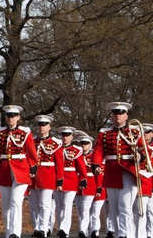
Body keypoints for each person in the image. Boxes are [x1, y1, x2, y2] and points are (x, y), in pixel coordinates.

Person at [92, 102, 146, 238]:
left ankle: (125, 234)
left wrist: (139, 156)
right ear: (111, 116)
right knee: (114, 209)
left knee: (124, 206)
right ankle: (118, 234)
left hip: (129, 171)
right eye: (115, 114)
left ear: (126, 116)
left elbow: (143, 150)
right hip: (111, 172)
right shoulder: (104, 133)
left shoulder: (135, 132)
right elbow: (99, 151)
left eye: (121, 113)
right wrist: (96, 165)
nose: (118, 116)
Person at [0, 105, 38, 238]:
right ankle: (9, 234)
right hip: (4, 169)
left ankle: (15, 233)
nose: (10, 118)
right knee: (6, 205)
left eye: (13, 116)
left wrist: (33, 167)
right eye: (8, 116)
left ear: (18, 117)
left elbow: (31, 151)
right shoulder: (0, 132)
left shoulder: (25, 132)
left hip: (21, 169)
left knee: (15, 201)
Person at [29, 115, 64, 238]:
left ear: (49, 126)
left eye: (44, 125)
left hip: (48, 176)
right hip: (33, 177)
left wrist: (59, 181)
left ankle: (43, 229)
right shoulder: (32, 142)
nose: (41, 127)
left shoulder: (56, 143)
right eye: (39, 125)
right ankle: (38, 227)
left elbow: (60, 164)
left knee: (44, 204)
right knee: (35, 205)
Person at [54, 126, 88, 238]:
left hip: (71, 179)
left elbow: (81, 165)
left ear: (72, 137)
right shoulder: (56, 148)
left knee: (67, 205)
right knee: (59, 207)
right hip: (58, 179)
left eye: (68, 135)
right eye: (63, 135)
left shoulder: (76, 150)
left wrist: (83, 178)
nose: (65, 137)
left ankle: (64, 229)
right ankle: (61, 229)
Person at [73, 134, 100, 238]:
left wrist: (99, 187)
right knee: (80, 211)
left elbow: (99, 172)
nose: (84, 146)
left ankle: (83, 231)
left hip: (90, 184)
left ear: (90, 145)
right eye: (82, 144)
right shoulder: (76, 156)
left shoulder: (94, 156)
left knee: (86, 209)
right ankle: (86, 230)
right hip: (78, 184)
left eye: (86, 144)